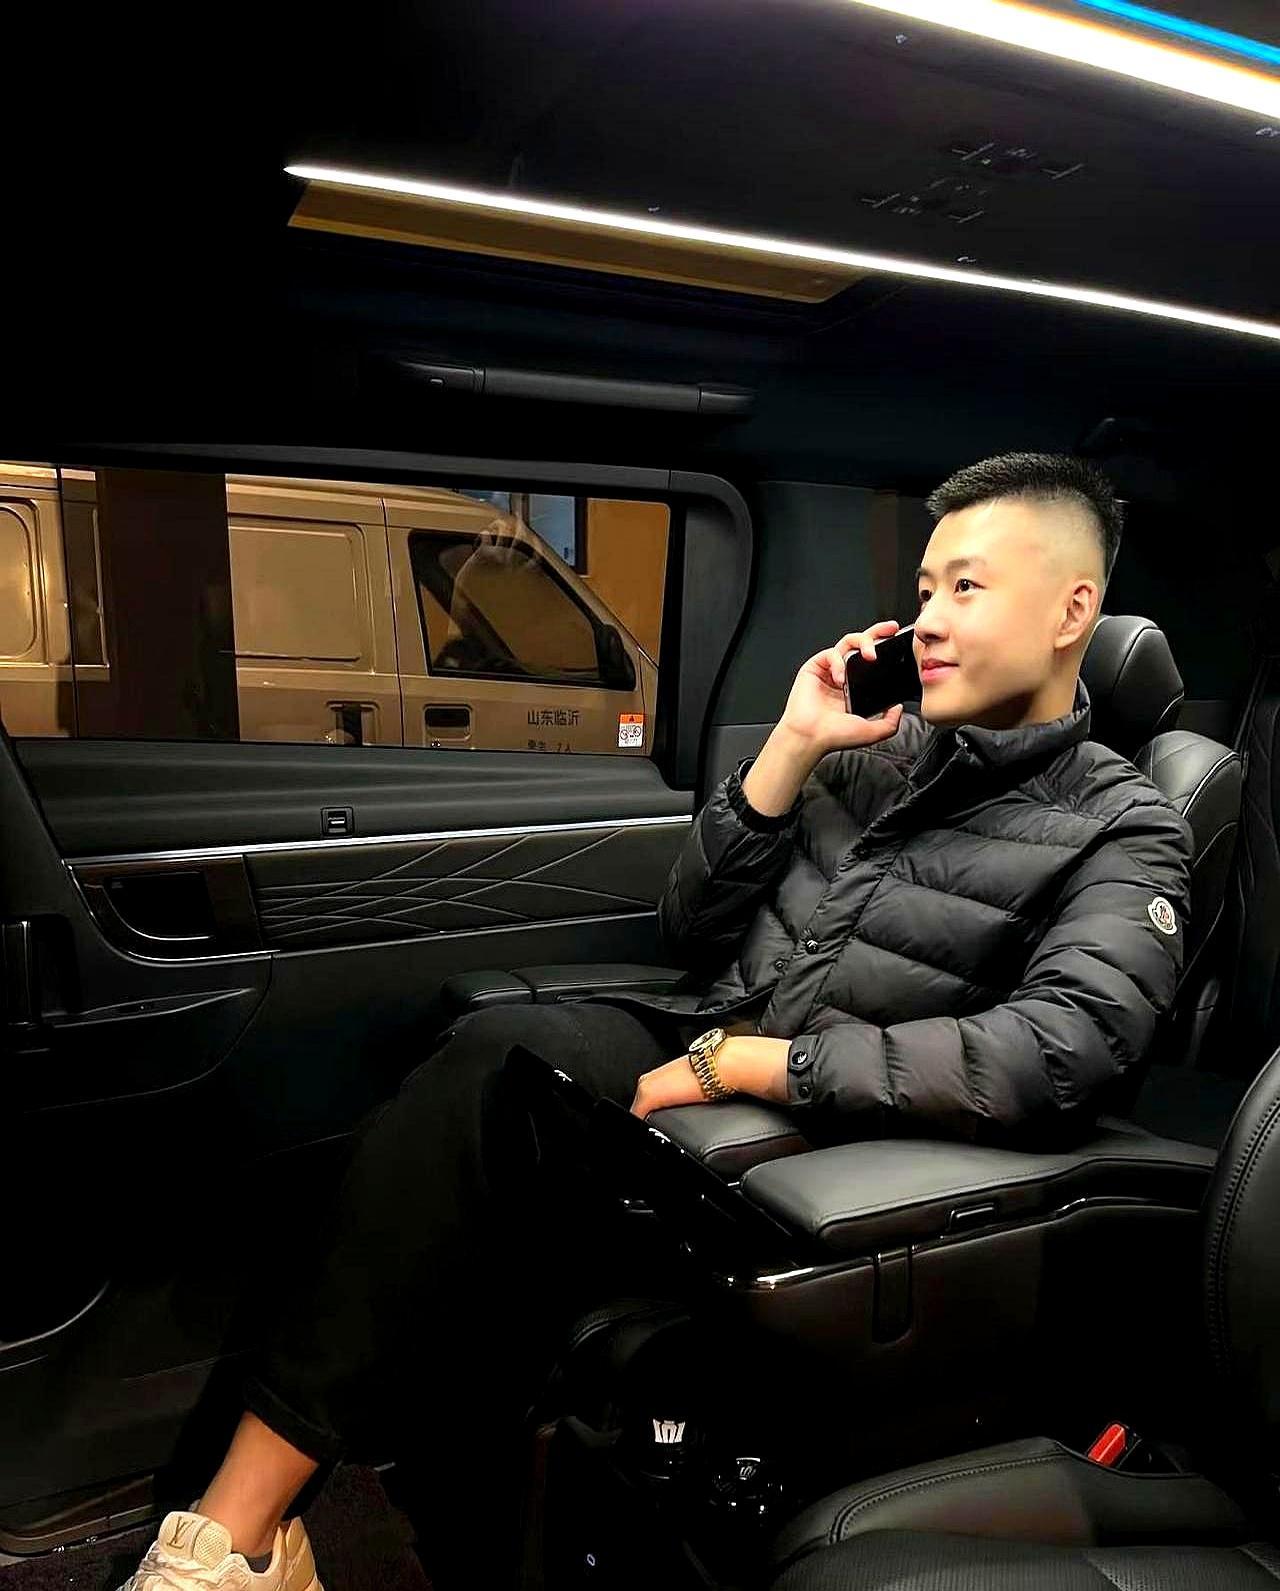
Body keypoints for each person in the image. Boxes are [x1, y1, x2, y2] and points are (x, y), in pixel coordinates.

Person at [119, 453, 1193, 1590]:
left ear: (1071, 611)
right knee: (480, 1068)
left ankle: (238, 1536)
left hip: (837, 1125)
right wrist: (792, 745)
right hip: (713, 1039)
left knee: (492, 1094)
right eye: (922, 589)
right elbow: (692, 923)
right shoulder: (876, 749)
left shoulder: (1126, 826)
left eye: (964, 588)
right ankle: (248, 1533)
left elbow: (1057, 1048)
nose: (925, 619)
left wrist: (759, 1066)